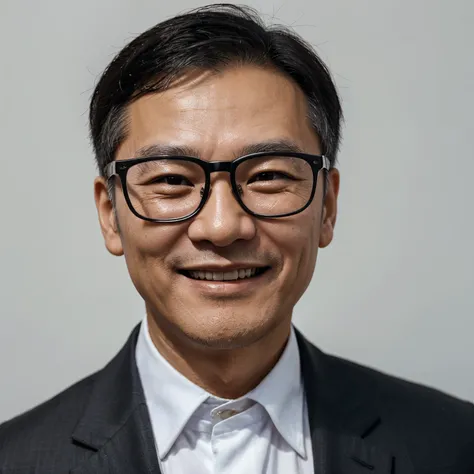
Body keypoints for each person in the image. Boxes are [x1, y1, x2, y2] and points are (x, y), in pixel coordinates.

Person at [1, 4, 473, 473]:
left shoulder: (452, 446)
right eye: (171, 180)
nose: (222, 227)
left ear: (327, 205)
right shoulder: (17, 460)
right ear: (110, 214)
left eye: (267, 176)